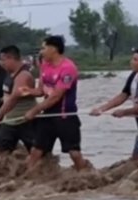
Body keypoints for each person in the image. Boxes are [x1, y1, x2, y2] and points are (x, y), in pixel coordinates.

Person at [21, 35, 90, 171]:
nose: (41, 51)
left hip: (65, 115)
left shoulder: (68, 68)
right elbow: (41, 91)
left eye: (44, 48)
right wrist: (27, 91)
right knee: (35, 151)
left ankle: (85, 176)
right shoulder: (44, 66)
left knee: (74, 153)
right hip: (48, 115)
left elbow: (56, 96)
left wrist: (34, 111)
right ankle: (27, 179)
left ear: (54, 49)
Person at [0, 45, 37, 154]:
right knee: (1, 153)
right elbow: (7, 96)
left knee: (36, 154)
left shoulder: (24, 75)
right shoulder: (10, 74)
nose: (1, 63)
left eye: (3, 59)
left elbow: (14, 98)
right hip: (9, 121)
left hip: (25, 120)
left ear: (10, 58)